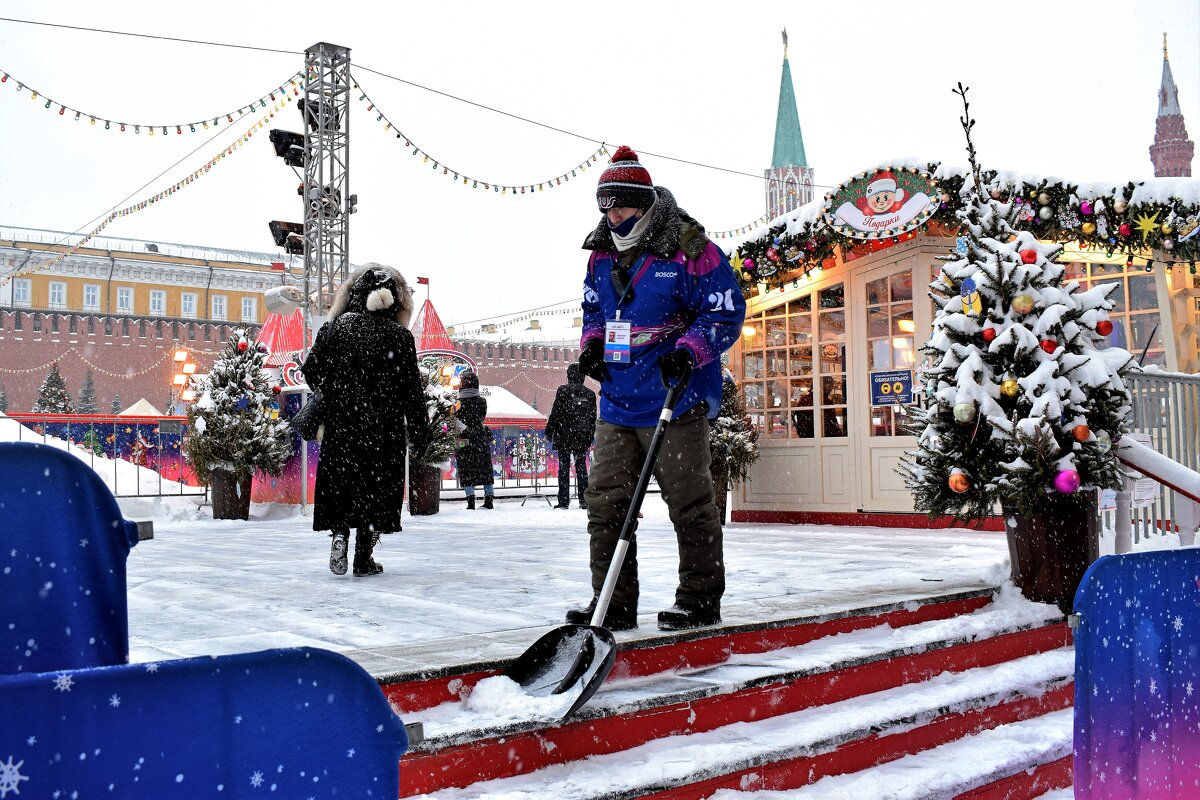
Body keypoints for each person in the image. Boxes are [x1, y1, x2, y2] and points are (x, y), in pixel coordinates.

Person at [567, 145, 747, 632]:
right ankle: (612, 604)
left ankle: (699, 597)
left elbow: (726, 310)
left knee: (689, 504)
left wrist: (689, 349)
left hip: (674, 400)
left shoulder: (690, 249)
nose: (613, 215)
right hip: (618, 401)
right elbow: (593, 311)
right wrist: (592, 345)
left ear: (644, 202)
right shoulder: (601, 255)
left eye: (621, 204)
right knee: (605, 508)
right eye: (605, 206)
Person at [301, 264, 430, 577]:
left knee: (343, 487)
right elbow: (412, 390)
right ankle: (364, 558)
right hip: (383, 430)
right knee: (375, 492)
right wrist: (419, 431)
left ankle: (340, 535)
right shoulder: (399, 337)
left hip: (342, 426)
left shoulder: (335, 329)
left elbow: (311, 370)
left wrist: (336, 386)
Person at [544, 363, 597, 510]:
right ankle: (584, 500)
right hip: (581, 435)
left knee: (564, 468)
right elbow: (593, 418)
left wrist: (549, 431)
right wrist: (589, 435)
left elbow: (556, 412)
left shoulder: (563, 390)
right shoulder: (590, 394)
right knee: (581, 468)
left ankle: (563, 500)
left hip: (564, 434)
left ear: (569, 376)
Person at [455, 370, 495, 510]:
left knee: (466, 469)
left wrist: (464, 429)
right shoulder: (482, 401)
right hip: (480, 437)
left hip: (464, 438)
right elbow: (481, 418)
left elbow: (455, 419)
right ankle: (489, 498)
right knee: (485, 469)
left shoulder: (458, 402)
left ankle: (470, 500)